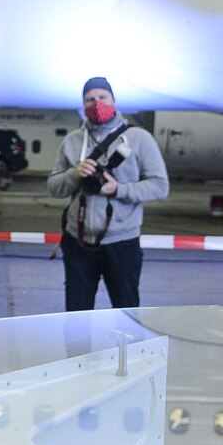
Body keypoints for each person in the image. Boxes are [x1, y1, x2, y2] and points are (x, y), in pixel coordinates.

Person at [45, 77, 169, 311]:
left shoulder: (138, 138)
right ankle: (80, 350)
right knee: (76, 316)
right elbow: (53, 187)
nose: (96, 103)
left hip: (121, 244)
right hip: (78, 243)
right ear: (83, 105)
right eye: (90, 99)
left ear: (113, 100)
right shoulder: (73, 141)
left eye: (102, 97)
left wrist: (119, 189)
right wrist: (75, 174)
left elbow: (160, 185)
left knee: (127, 313)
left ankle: (129, 349)